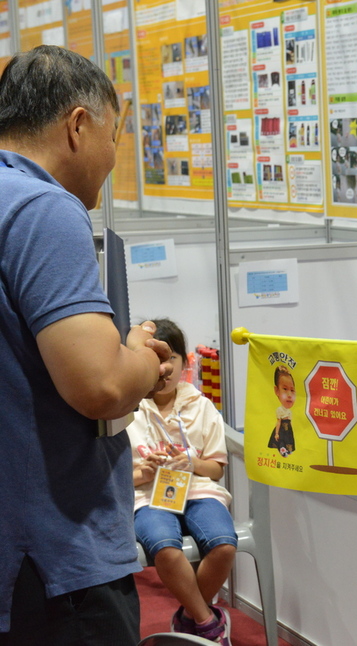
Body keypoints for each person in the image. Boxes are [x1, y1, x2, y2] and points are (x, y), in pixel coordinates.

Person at [0, 45, 173, 644]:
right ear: (77, 125)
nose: (113, 159)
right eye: (115, 137)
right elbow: (100, 385)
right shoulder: (44, 209)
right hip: (54, 565)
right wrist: (144, 358)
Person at [128, 319, 236, 645]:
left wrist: (193, 464)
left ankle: (188, 618)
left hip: (199, 491)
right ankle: (207, 623)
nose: (164, 368)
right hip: (148, 497)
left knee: (224, 544)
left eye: (172, 358)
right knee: (164, 546)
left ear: (185, 362)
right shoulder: (125, 409)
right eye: (156, 360)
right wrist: (143, 473)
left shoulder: (201, 406)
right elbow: (115, 476)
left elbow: (216, 470)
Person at [268, 366, 297, 456]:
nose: (289, 395)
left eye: (292, 390)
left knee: (288, 439)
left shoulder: (290, 411)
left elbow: (290, 422)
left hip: (288, 429)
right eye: (285, 389)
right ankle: (282, 449)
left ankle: (289, 449)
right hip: (281, 429)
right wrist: (276, 433)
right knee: (281, 439)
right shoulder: (279, 410)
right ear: (277, 390)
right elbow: (278, 422)